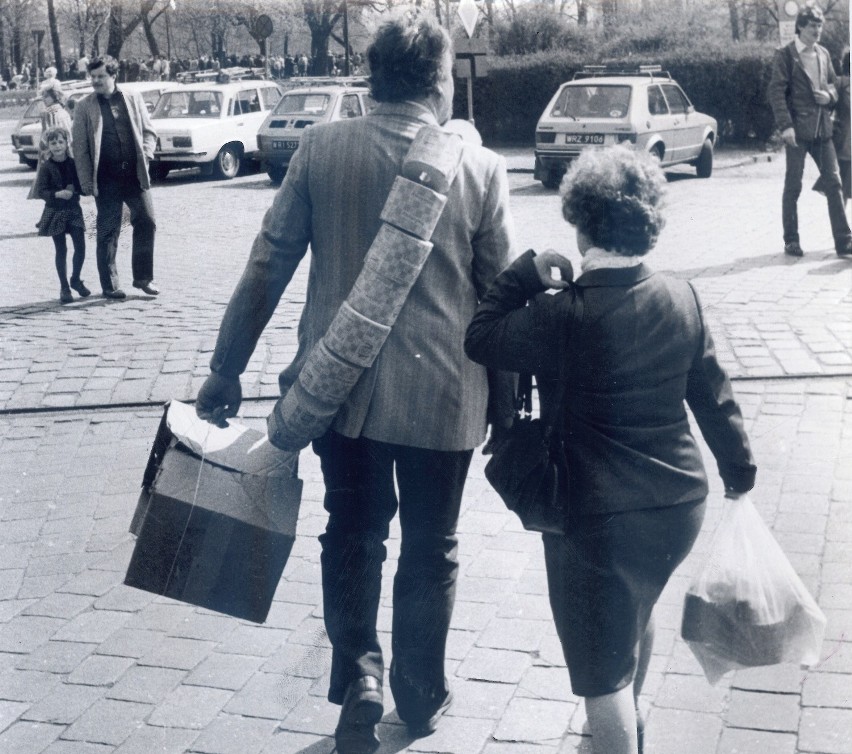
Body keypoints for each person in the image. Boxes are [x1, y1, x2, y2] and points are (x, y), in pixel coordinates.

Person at [195, 16, 513, 754]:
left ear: (371, 77)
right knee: (433, 545)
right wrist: (504, 400)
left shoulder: (321, 148)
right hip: (444, 395)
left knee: (353, 533)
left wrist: (226, 365)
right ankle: (421, 692)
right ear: (438, 79)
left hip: (340, 391)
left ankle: (360, 677)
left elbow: (268, 264)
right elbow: (498, 297)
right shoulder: (481, 167)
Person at [465, 146, 757, 754]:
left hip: (596, 521)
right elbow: (714, 397)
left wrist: (524, 272)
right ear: (649, 220)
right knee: (635, 606)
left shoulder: (560, 313)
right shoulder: (683, 297)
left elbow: (482, 336)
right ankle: (626, 723)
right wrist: (740, 471)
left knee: (599, 679)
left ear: (580, 223)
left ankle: (615, 728)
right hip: (678, 508)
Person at [767, 4, 852, 257]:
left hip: (822, 131)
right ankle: (791, 240)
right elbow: (776, 92)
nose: (818, 30)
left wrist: (829, 95)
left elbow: (834, 86)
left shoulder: (824, 53)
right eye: (813, 25)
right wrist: (786, 126)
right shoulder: (786, 55)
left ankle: (844, 241)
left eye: (820, 25)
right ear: (801, 26)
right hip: (797, 133)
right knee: (793, 186)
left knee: (835, 183)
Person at [72, 55, 160, 299]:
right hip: (106, 178)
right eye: (93, 77)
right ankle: (110, 285)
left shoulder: (132, 98)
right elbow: (79, 148)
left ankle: (144, 278)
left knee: (147, 220)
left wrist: (147, 156)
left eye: (101, 76)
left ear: (113, 75)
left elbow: (149, 132)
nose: (96, 81)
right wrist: (86, 181)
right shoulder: (84, 106)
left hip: (134, 174)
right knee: (108, 230)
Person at [35, 127, 90, 304]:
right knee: (61, 249)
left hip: (73, 209)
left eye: (61, 142)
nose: (57, 146)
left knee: (80, 246)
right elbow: (40, 190)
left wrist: (77, 189)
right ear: (48, 145)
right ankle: (64, 286)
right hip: (55, 211)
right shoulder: (46, 166)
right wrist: (56, 194)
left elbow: (81, 185)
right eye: (53, 143)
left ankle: (75, 278)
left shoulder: (74, 163)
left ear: (67, 143)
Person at [27, 80, 73, 201]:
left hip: (53, 156)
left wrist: (44, 154)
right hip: (67, 153)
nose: (43, 99)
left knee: (53, 190)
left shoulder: (49, 114)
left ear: (55, 96)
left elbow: (49, 137)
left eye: (46, 96)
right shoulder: (65, 112)